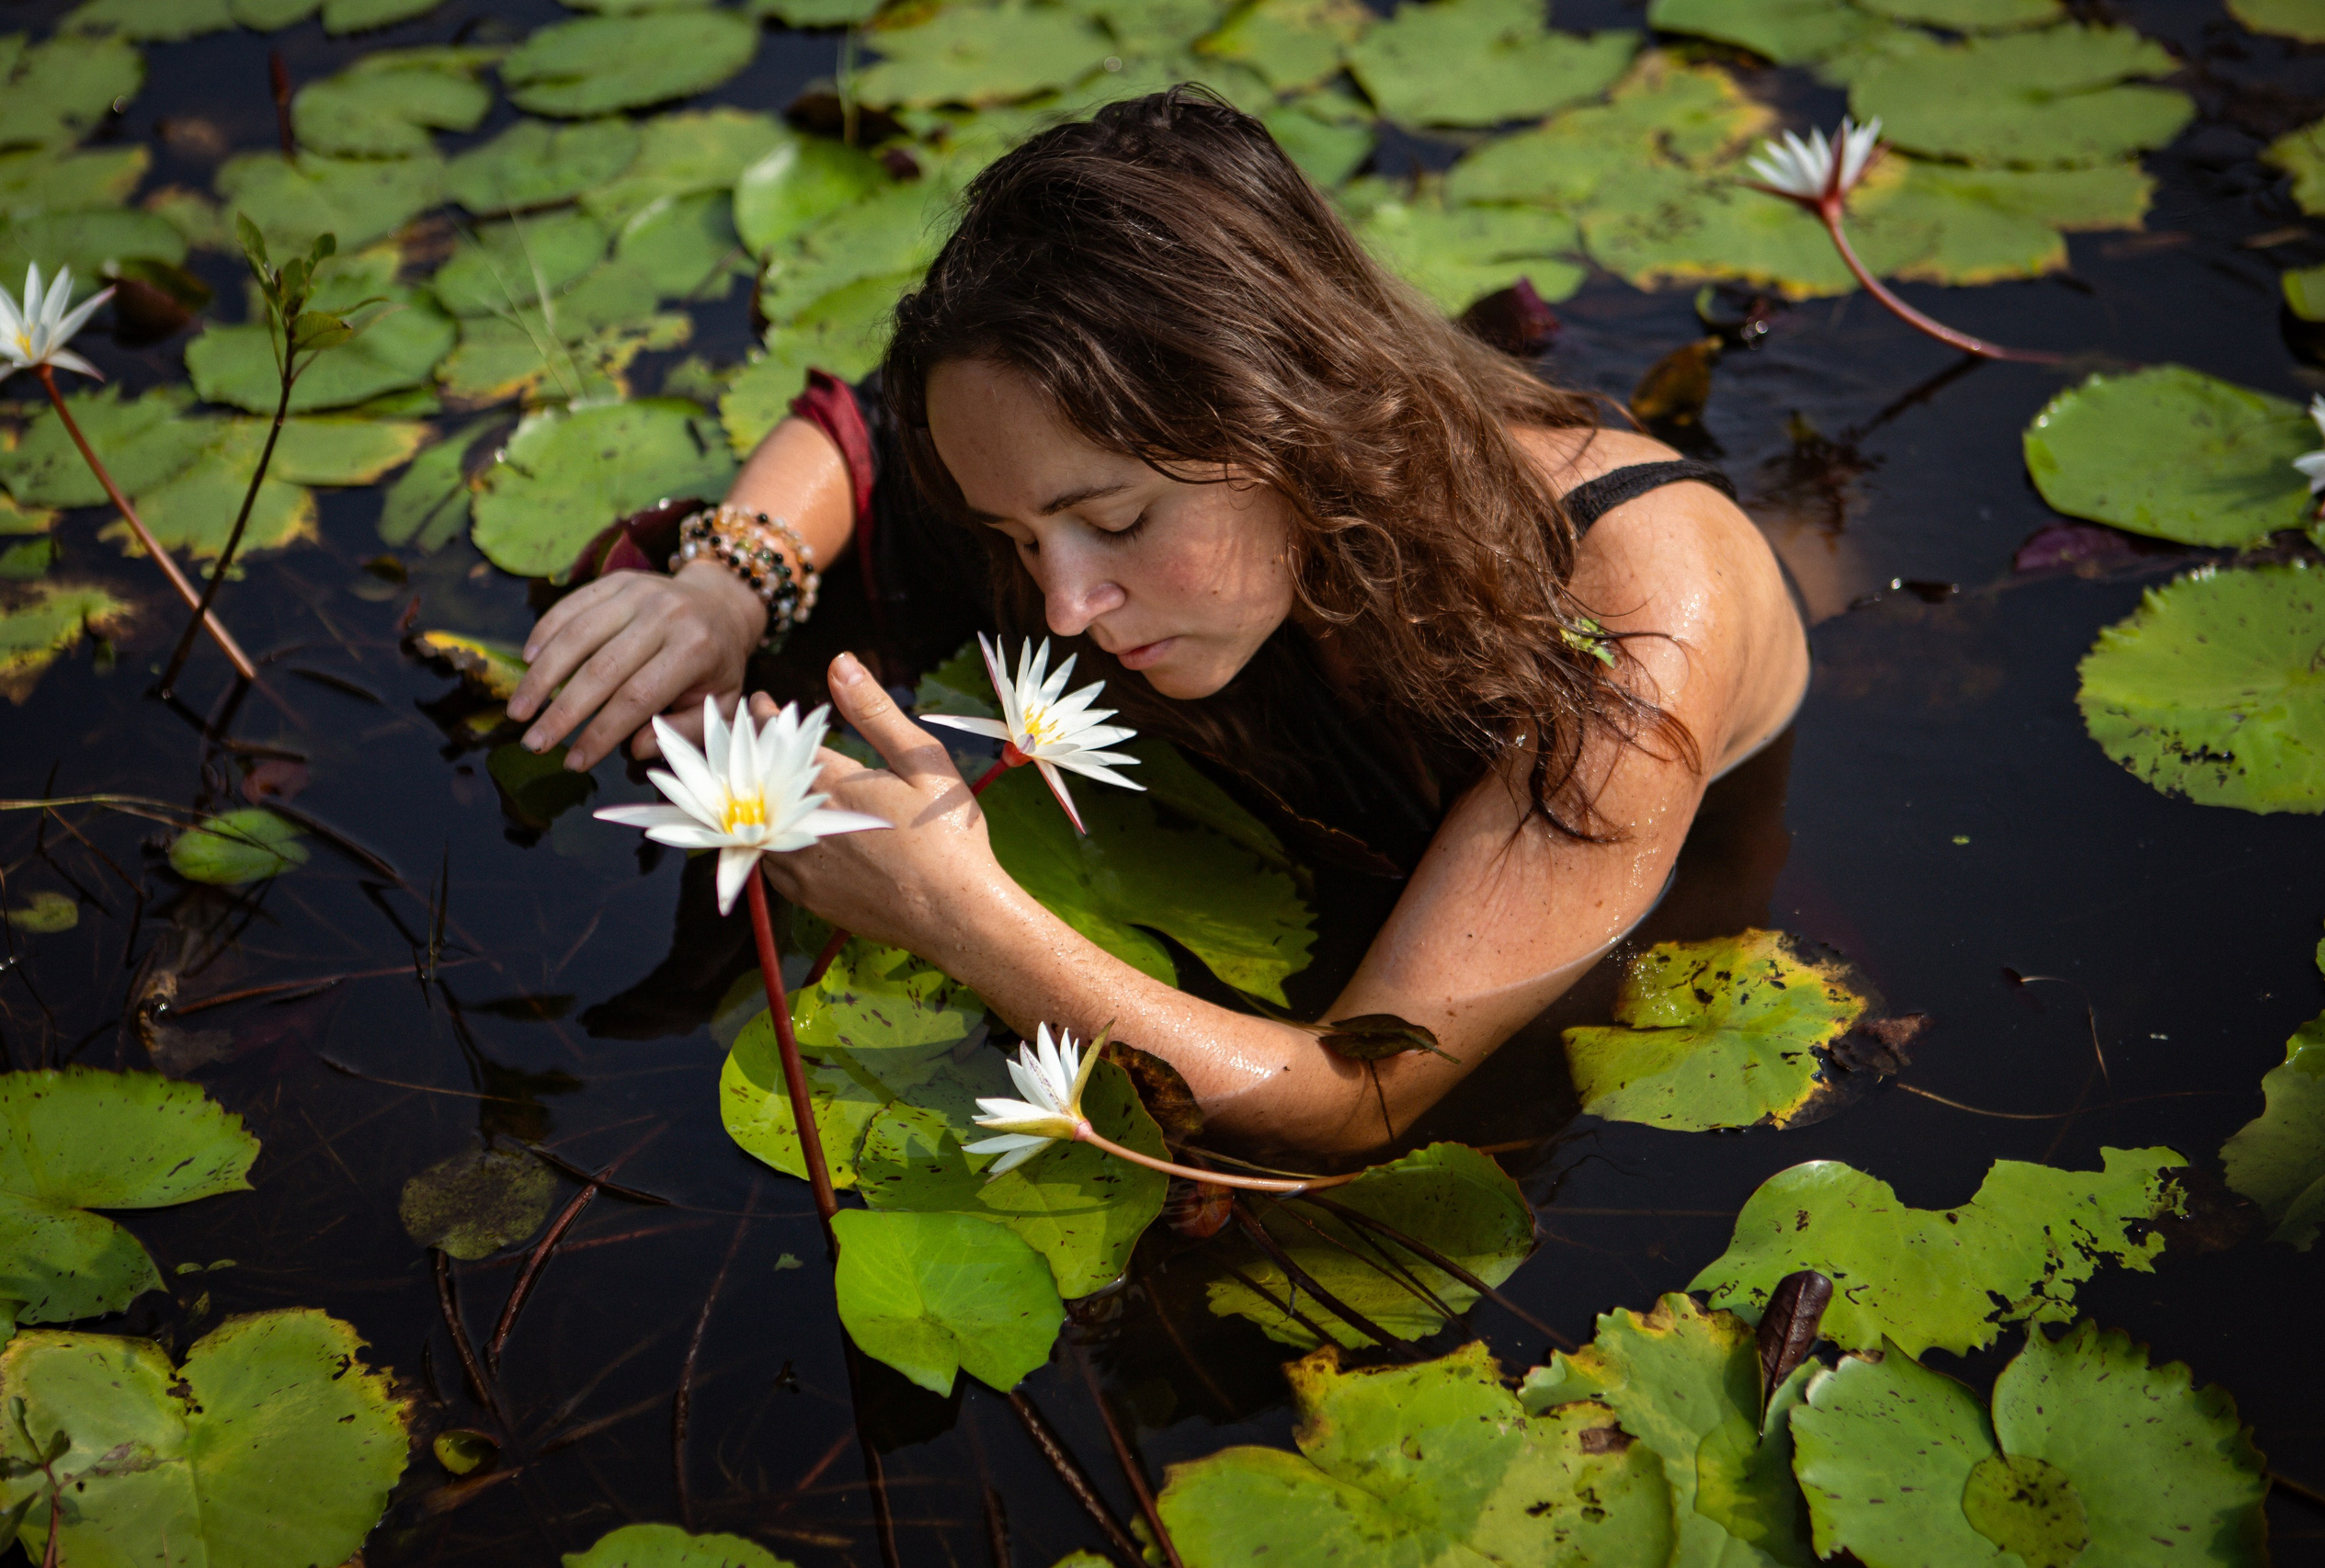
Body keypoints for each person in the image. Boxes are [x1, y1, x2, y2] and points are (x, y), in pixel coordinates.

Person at [506, 89, 1809, 1155]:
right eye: (1019, 539)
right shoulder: (1122, 489)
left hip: (1659, 936)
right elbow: (877, 437)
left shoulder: (1636, 618)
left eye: (1116, 523)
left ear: (1290, 424)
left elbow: (1358, 1093)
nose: (1066, 603)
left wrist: (960, 914)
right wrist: (725, 581)